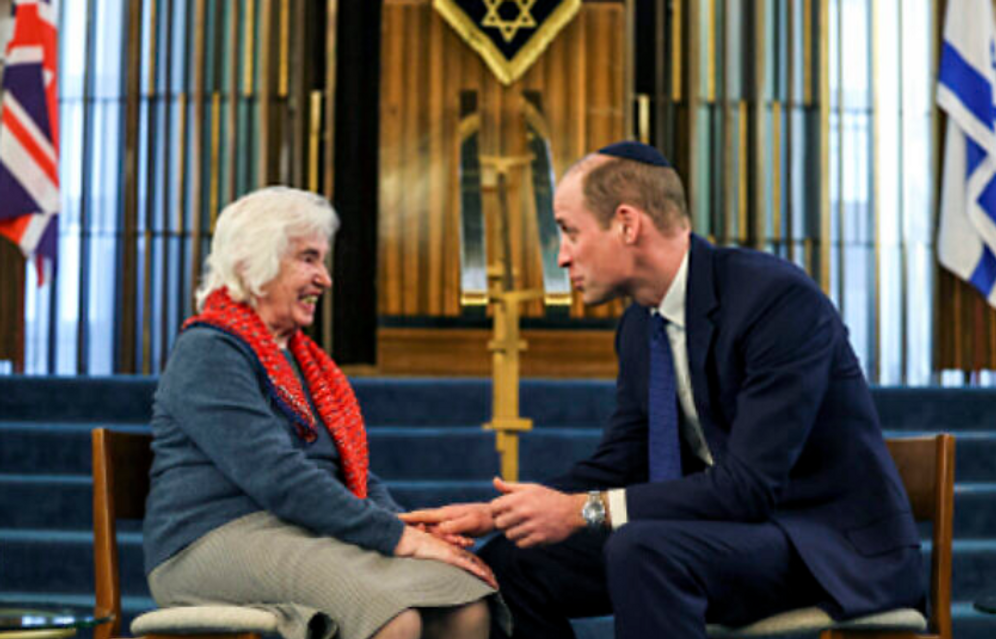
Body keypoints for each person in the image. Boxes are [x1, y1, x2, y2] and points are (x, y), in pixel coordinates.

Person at [402, 142, 925, 639]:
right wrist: (499, 515)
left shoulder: (776, 299)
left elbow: (750, 486)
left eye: (569, 231)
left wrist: (581, 511)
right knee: (512, 564)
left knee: (644, 549)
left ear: (627, 224)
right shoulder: (640, 327)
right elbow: (618, 464)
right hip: (721, 536)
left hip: (820, 544)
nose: (561, 257)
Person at [143, 186, 508, 639]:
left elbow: (346, 470)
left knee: (462, 601)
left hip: (295, 529)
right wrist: (394, 537)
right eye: (308, 259)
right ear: (254, 263)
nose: (326, 278)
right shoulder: (208, 350)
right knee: (390, 616)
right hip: (207, 541)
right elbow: (279, 477)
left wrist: (401, 523)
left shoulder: (303, 360)